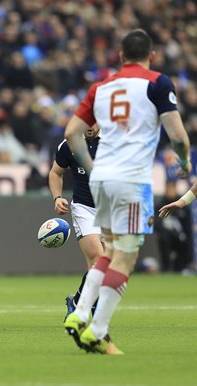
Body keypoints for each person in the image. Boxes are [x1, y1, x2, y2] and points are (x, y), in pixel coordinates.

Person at [63, 29, 192, 355]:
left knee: (109, 252)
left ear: (120, 57)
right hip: (132, 179)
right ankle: (98, 329)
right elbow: (177, 134)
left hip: (102, 180)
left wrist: (91, 167)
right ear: (151, 56)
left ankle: (79, 313)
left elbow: (71, 132)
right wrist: (184, 161)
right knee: (127, 255)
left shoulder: (100, 87)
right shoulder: (158, 82)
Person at [49, 126, 103, 319]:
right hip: (84, 209)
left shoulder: (114, 142)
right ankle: (96, 319)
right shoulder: (69, 144)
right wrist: (57, 197)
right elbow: (55, 173)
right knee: (99, 258)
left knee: (99, 269)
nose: (90, 125)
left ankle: (77, 302)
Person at [155, 181, 193, 272]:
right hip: (167, 236)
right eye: (168, 189)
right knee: (163, 240)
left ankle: (181, 268)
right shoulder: (161, 204)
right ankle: (166, 268)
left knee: (186, 243)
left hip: (181, 237)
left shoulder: (183, 206)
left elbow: (187, 225)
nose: (170, 191)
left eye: (172, 188)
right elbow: (156, 222)